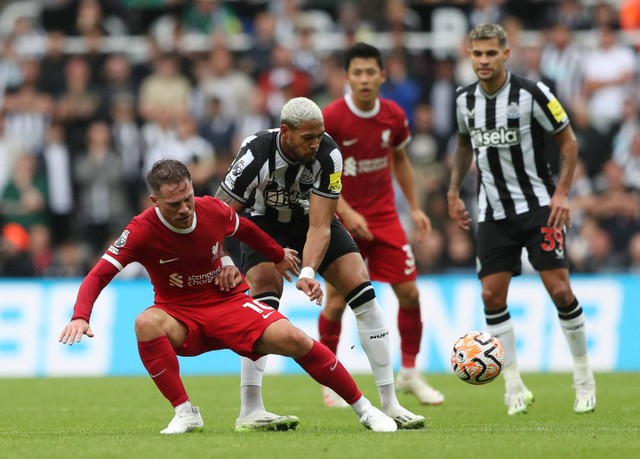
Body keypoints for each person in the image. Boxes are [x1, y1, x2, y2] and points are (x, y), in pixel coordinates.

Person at [58, 159, 398, 434]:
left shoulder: (210, 210)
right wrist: (80, 314)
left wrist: (278, 255)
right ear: (155, 201)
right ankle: (185, 412)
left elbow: (246, 229)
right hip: (180, 316)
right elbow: (99, 273)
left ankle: (365, 410)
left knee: (295, 338)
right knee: (145, 322)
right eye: (174, 204)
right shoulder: (141, 230)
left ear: (192, 189)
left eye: (188, 198)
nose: (184, 208)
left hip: (230, 305)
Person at [216, 97, 426, 430]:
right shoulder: (255, 154)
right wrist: (225, 259)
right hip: (262, 222)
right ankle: (250, 409)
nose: (316, 144)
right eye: (308, 138)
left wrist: (309, 272)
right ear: (285, 132)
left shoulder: (328, 154)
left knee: (363, 291)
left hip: (307, 220)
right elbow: (218, 214)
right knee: (264, 299)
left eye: (319, 136)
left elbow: (319, 226)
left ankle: (391, 404)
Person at [447, 23, 596, 416]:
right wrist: (451, 191)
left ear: (505, 54)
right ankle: (513, 386)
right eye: (476, 53)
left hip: (537, 208)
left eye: (490, 53)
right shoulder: (463, 100)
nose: (483, 60)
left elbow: (569, 141)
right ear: (469, 54)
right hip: (493, 213)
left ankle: (584, 379)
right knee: (491, 296)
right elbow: (464, 145)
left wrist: (562, 193)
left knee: (560, 292)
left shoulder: (533, 94)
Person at [319, 42, 444, 408]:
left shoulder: (392, 115)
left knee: (410, 293)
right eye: (356, 72)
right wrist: (347, 210)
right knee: (337, 300)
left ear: (382, 76)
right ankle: (329, 377)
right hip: (341, 219)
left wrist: (416, 207)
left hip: (386, 217)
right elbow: (320, 173)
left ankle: (409, 373)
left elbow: (401, 160)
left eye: (370, 72)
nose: (363, 79)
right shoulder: (333, 118)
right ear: (347, 77)